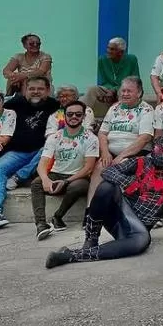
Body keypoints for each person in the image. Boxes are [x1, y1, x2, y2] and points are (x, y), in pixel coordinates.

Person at [44, 136, 163, 268]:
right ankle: (91, 239)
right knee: (106, 187)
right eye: (158, 151)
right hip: (120, 214)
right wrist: (128, 182)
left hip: (138, 229)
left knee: (142, 241)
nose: (162, 156)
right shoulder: (141, 162)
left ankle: (70, 255)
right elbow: (108, 171)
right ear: (152, 151)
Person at [0, 76, 59, 232]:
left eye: (40, 89)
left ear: (47, 90)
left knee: (52, 146)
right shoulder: (16, 102)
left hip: (42, 152)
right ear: (25, 90)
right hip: (17, 152)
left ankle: (18, 176)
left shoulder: (55, 105)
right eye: (31, 88)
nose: (35, 92)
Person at [32, 100, 98, 240]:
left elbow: (88, 168)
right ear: (65, 116)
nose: (74, 117)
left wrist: (66, 181)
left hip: (78, 176)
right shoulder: (54, 137)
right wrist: (45, 179)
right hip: (56, 174)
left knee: (78, 186)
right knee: (36, 183)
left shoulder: (91, 138)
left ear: (83, 117)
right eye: (70, 114)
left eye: (78, 114)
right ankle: (41, 224)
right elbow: (42, 164)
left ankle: (57, 216)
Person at [93, 76, 155, 197]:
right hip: (111, 154)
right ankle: (90, 206)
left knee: (122, 166)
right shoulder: (114, 108)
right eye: (123, 91)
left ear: (139, 93)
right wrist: (105, 153)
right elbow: (102, 133)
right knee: (99, 166)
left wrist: (121, 156)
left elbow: (145, 138)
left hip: (134, 154)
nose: (125, 94)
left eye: (129, 91)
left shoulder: (146, 109)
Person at [84, 37, 140, 118]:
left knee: (123, 92)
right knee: (92, 89)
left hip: (126, 89)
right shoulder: (102, 60)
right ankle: (81, 113)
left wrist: (114, 89)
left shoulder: (131, 59)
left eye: (112, 49)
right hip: (107, 88)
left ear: (121, 52)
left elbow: (135, 81)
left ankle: (122, 118)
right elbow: (103, 81)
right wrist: (110, 90)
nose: (108, 51)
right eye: (108, 48)